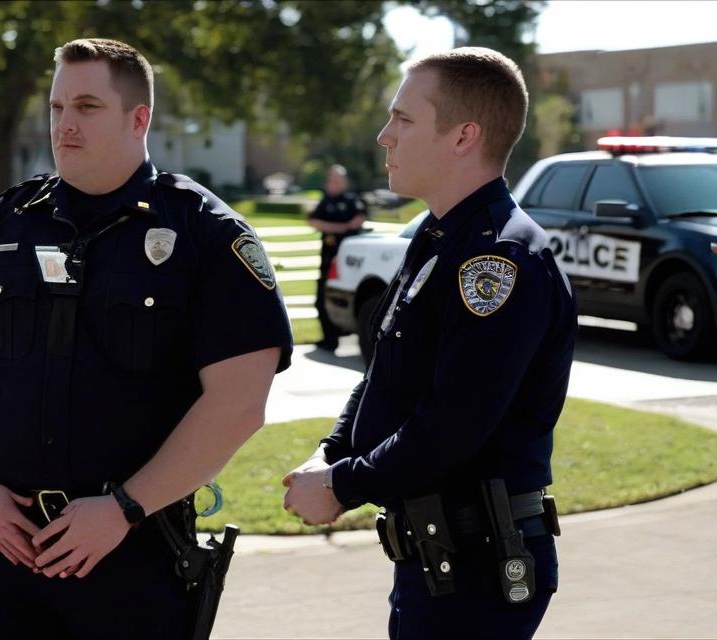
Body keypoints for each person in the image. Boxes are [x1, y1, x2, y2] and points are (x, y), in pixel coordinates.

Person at [0, 38, 293, 639]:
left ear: (138, 118)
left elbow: (239, 401)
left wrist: (125, 508)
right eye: (58, 107)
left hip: (131, 556)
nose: (65, 124)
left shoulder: (202, 232)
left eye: (86, 106)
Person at [281, 48, 576, 640]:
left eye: (404, 119)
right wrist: (331, 452)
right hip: (441, 557)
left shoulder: (497, 259)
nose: (384, 136)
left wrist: (343, 485)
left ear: (464, 135)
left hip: (478, 567)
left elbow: (454, 423)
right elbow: (385, 375)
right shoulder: (441, 239)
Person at [306, 164, 368, 351]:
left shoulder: (352, 200)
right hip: (328, 259)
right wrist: (340, 228)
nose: (333, 184)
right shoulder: (325, 202)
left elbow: (359, 220)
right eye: (331, 180)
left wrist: (335, 227)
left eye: (337, 180)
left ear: (344, 182)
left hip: (351, 261)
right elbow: (313, 221)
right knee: (321, 299)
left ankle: (351, 334)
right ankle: (329, 339)